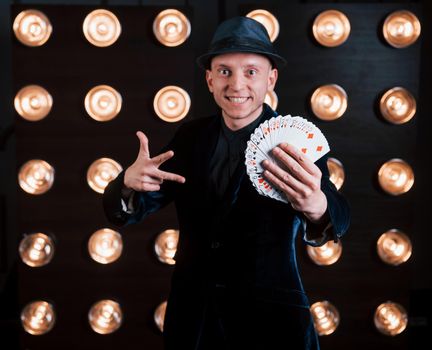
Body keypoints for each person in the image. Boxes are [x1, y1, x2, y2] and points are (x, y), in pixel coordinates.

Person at [103, 16, 350, 350]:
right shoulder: (190, 138)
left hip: (272, 322)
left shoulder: (295, 141)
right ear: (209, 79)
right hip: (194, 320)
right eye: (224, 71)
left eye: (251, 71)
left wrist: (319, 207)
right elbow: (135, 206)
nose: (236, 85)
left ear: (271, 79)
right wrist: (128, 184)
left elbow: (339, 214)